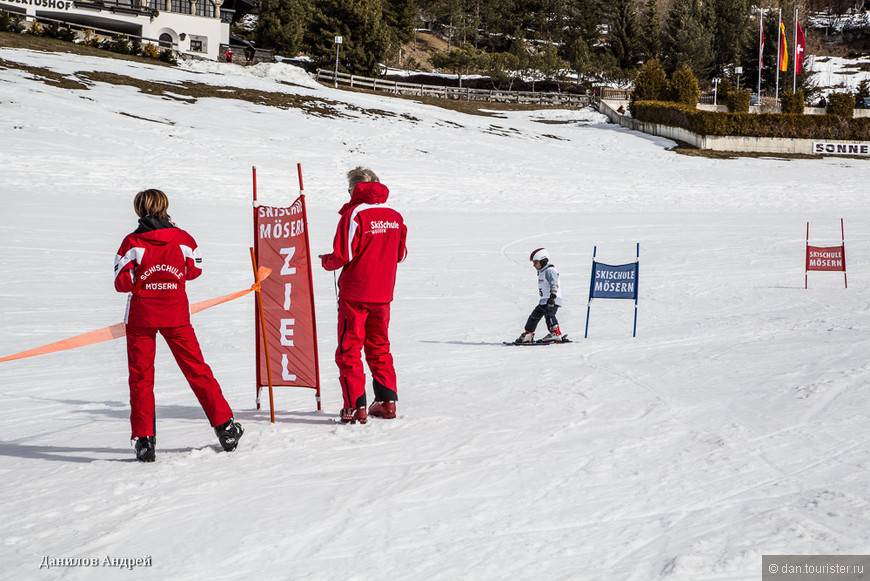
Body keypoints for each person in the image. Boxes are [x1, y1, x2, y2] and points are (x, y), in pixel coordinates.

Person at [114, 189, 243, 462]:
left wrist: (145, 276)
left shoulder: (132, 242)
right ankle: (226, 429)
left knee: (141, 379)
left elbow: (122, 282)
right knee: (197, 370)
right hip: (175, 316)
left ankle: (144, 441)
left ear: (139, 209)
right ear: (165, 206)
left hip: (141, 317)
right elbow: (194, 271)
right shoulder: (183, 238)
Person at [319, 168, 408, 424]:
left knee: (349, 350)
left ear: (355, 189)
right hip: (383, 293)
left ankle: (354, 406)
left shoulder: (354, 214)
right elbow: (399, 255)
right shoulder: (394, 215)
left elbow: (343, 255)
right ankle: (386, 402)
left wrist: (326, 261)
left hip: (356, 293)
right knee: (379, 347)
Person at [515, 248, 564, 343]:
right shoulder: (542, 271)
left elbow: (554, 283)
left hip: (552, 299)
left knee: (549, 315)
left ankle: (556, 333)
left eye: (535, 262)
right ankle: (529, 333)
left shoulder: (550, 271)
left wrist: (553, 296)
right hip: (544, 300)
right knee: (534, 316)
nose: (534, 265)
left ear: (543, 260)